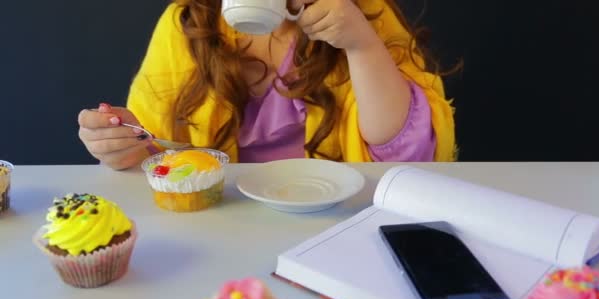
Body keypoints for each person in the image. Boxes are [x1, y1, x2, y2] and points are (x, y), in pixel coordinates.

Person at [78, 0, 457, 170]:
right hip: (219, 224)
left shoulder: (362, 13)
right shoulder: (187, 23)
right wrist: (122, 145)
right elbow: (155, 151)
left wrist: (361, 44)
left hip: (336, 221)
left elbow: (408, 158)